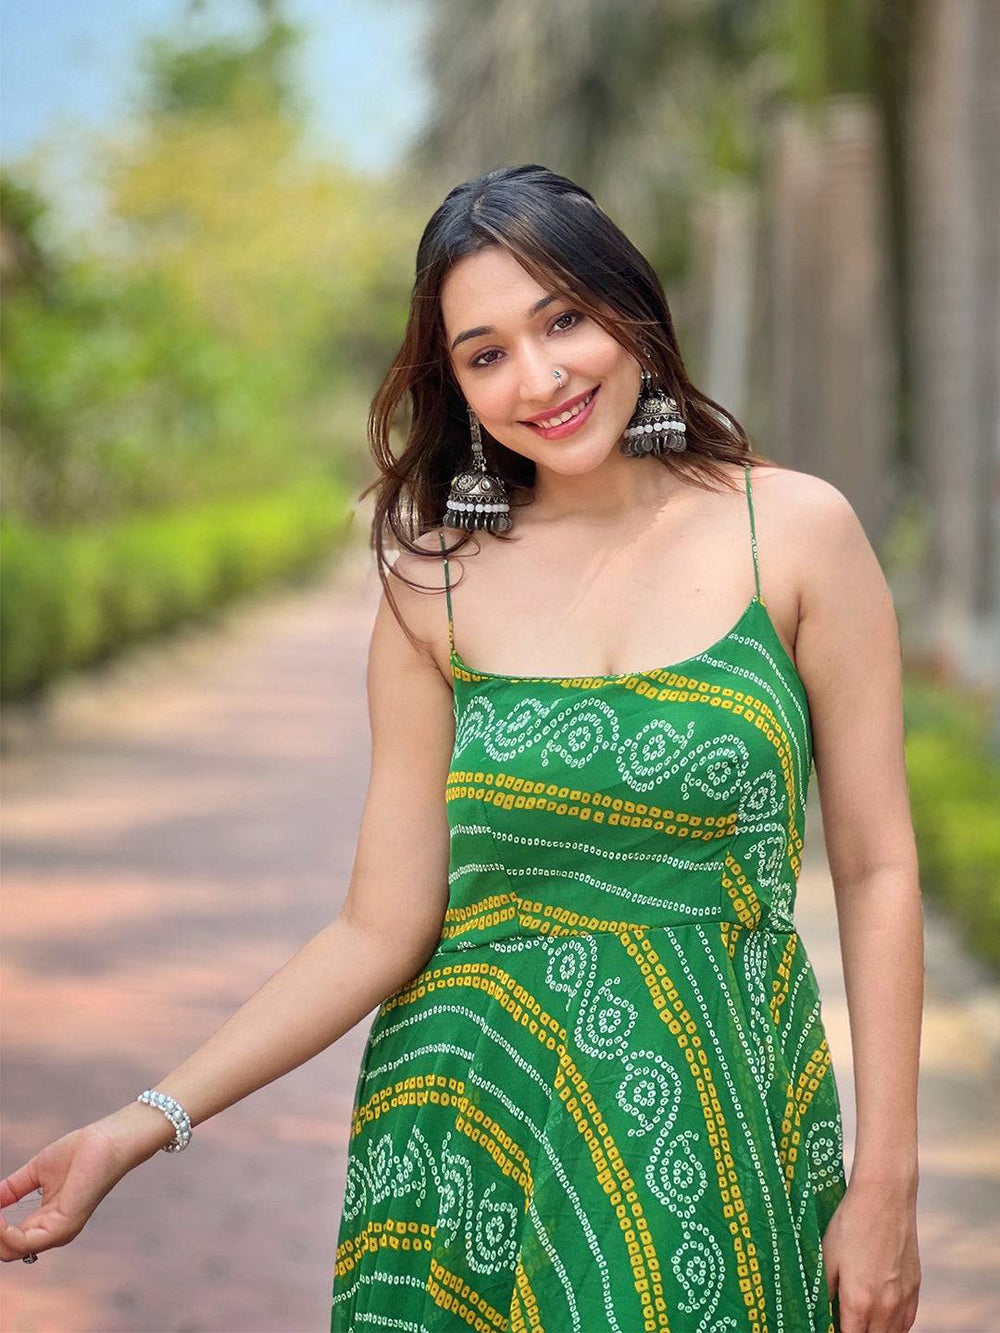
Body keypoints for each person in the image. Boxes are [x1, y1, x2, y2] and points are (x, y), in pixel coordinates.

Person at [1, 165, 922, 1333]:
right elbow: (376, 929)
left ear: (630, 309)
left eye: (562, 320)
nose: (538, 378)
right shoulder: (431, 587)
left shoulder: (790, 531)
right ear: (456, 387)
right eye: (486, 354)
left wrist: (886, 1182)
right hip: (469, 1135)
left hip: (721, 1125)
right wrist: (136, 1126)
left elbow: (878, 869)